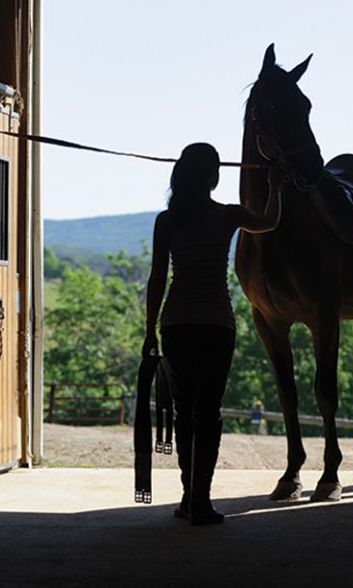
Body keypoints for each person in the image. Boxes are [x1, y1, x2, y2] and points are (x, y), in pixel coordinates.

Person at [142, 142, 282, 525]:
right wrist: (276, 184)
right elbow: (269, 220)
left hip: (175, 324)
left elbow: (158, 279)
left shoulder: (166, 220)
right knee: (209, 413)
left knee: (184, 413)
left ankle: (190, 497)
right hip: (217, 323)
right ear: (213, 177)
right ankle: (200, 499)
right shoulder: (228, 216)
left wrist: (149, 329)